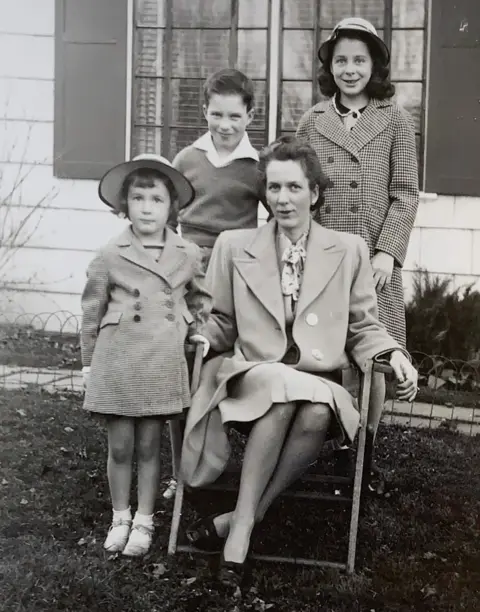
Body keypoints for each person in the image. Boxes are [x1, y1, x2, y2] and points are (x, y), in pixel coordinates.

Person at [179, 137, 418, 584]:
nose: (282, 199)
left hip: (316, 381)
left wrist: (392, 353)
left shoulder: (349, 250)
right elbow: (222, 322)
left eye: (293, 187)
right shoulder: (235, 246)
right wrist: (201, 338)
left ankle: (241, 520)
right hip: (253, 375)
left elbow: (363, 327)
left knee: (310, 408)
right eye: (273, 188)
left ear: (315, 193)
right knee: (287, 393)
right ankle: (243, 530)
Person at [295, 17, 419, 492]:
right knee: (325, 349)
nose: (350, 70)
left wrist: (388, 252)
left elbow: (405, 193)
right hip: (324, 258)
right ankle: (325, 437)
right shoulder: (313, 121)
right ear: (330, 65)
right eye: (341, 60)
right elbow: (304, 190)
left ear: (375, 66)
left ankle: (362, 449)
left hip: (374, 263)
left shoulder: (395, 120)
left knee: (375, 355)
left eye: (359, 60)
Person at [81, 154, 211, 556]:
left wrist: (196, 329)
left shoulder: (187, 253)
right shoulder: (109, 253)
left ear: (172, 206)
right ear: (125, 205)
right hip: (117, 358)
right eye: (138, 198)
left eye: (156, 199)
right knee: (120, 446)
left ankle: (145, 519)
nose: (147, 207)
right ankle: (120, 516)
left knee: (150, 445)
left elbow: (201, 298)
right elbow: (91, 309)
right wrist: (87, 363)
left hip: (160, 357)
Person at [172, 68, 268, 267]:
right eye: (216, 115)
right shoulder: (186, 160)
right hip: (189, 260)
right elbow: (166, 214)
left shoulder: (258, 167)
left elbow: (278, 214)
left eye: (234, 117)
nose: (225, 126)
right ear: (205, 111)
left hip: (237, 261)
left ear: (249, 116)